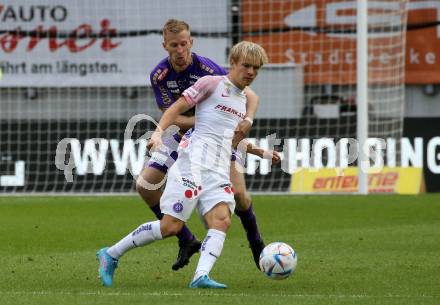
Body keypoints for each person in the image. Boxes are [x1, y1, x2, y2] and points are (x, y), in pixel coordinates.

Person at [97, 40, 270, 288]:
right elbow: (177, 108)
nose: (251, 72)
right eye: (246, 66)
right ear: (232, 63)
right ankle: (110, 254)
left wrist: (260, 151)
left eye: (256, 68)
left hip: (218, 167)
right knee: (170, 226)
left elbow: (228, 139)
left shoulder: (242, 100)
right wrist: (157, 134)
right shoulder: (211, 83)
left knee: (222, 219)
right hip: (192, 163)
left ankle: (201, 276)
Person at [136, 19, 268, 271]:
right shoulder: (160, 75)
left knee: (239, 194)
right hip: (184, 133)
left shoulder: (208, 69)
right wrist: (200, 120)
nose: (180, 49)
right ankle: (186, 239)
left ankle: (257, 244)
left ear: (191, 42)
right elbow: (171, 113)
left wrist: (247, 119)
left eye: (184, 43)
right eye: (174, 45)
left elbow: (249, 94)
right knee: (145, 185)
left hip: (218, 138)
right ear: (165, 46)